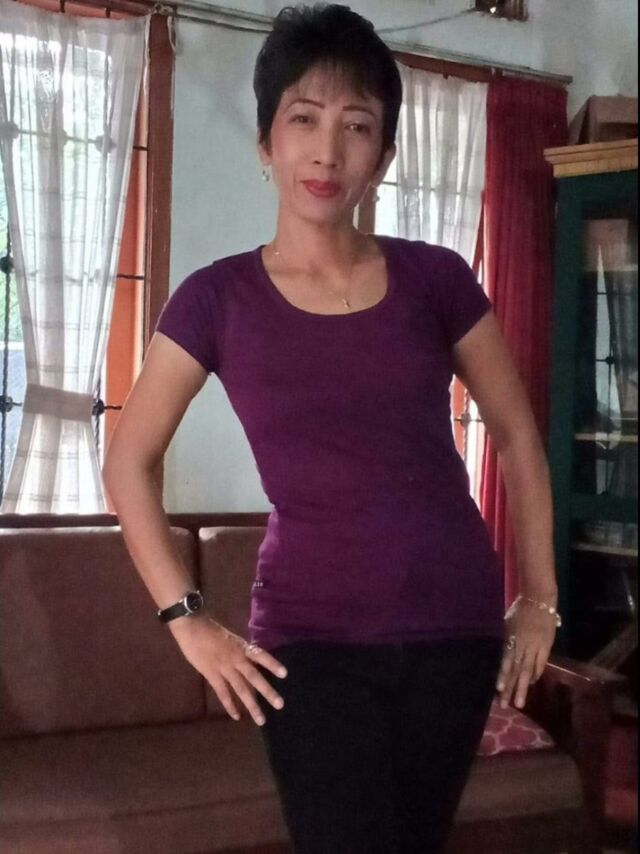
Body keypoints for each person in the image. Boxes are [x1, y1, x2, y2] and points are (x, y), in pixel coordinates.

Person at [103, 4, 561, 852]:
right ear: (265, 142)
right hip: (308, 641)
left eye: (357, 126)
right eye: (304, 119)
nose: (327, 151)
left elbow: (517, 434)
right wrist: (187, 619)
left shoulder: (437, 279)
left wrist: (539, 598)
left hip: (456, 628)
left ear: (382, 157)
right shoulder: (215, 299)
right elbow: (129, 460)